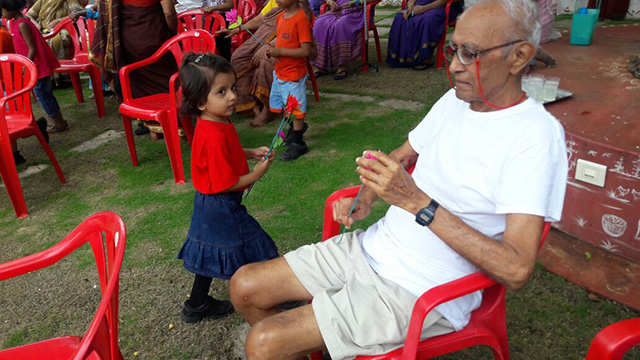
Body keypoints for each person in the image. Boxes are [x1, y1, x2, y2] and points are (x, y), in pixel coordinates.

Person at [228, 0, 568, 358]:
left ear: (519, 56)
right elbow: (404, 155)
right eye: (454, 49)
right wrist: (368, 195)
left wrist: (416, 202)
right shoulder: (456, 101)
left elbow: (515, 270)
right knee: (244, 286)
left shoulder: (535, 138)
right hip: (373, 248)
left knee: (263, 342)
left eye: (470, 54)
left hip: (421, 287)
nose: (454, 66)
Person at [176, 53, 279, 323]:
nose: (232, 96)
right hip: (221, 205)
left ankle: (196, 305)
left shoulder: (216, 120)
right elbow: (226, 183)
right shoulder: (212, 135)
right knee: (258, 245)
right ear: (200, 102)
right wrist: (256, 174)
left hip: (209, 203)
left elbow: (228, 152)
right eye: (221, 91)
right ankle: (280, 291)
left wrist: (249, 152)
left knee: (212, 249)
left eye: (232, 88)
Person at [217, 0, 314, 127]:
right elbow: (259, 20)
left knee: (266, 61)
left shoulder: (300, 10)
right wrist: (238, 29)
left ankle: (267, 110)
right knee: (238, 57)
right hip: (263, 43)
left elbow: (293, 37)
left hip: (285, 51)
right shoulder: (278, 7)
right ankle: (251, 104)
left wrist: (267, 47)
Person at [90, 0, 177, 139]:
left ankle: (151, 126)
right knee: (164, 80)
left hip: (129, 40)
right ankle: (170, 123)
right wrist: (173, 34)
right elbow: (169, 12)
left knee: (139, 81)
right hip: (155, 34)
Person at [2, 0, 69, 134]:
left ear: (10, 8)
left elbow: (31, 48)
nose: (2, 14)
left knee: (43, 95)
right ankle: (59, 121)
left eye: (3, 10)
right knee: (45, 94)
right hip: (35, 65)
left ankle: (59, 123)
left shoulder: (22, 24)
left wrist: (26, 67)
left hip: (37, 66)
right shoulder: (17, 22)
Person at [266, 0, 312, 161]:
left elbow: (306, 50)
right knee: (286, 107)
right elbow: (281, 38)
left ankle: (298, 144)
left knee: (295, 111)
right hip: (280, 72)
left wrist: (280, 51)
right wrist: (271, 46)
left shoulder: (300, 18)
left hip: (294, 74)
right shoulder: (281, 16)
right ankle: (294, 132)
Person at [386, 0, 462, 70]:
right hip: (419, 4)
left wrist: (423, 8)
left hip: (440, 6)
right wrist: (410, 6)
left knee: (427, 20)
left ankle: (425, 57)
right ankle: (403, 57)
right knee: (400, 18)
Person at [311, 0, 364, 80]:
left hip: (357, 11)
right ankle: (320, 65)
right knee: (319, 23)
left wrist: (356, 2)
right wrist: (330, 1)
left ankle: (342, 66)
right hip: (338, 10)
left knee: (341, 24)